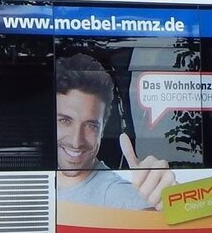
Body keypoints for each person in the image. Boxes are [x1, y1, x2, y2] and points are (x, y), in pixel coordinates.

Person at [55, 53, 177, 209]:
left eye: (91, 125)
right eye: (65, 121)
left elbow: (147, 210)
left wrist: (171, 202)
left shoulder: (118, 195)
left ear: (103, 128)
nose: (76, 142)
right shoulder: (44, 181)